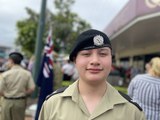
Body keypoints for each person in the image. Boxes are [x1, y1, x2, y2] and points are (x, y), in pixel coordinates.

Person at [38, 29, 146, 120]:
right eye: (86, 54)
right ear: (75, 60)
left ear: (111, 60)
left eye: (103, 54)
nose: (95, 61)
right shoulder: (52, 104)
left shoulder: (133, 112)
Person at [0, 52, 35, 120]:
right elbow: (32, 88)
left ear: (11, 61)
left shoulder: (5, 74)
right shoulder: (27, 73)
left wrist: (6, 94)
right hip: (20, 102)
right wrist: (23, 93)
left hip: (6, 101)